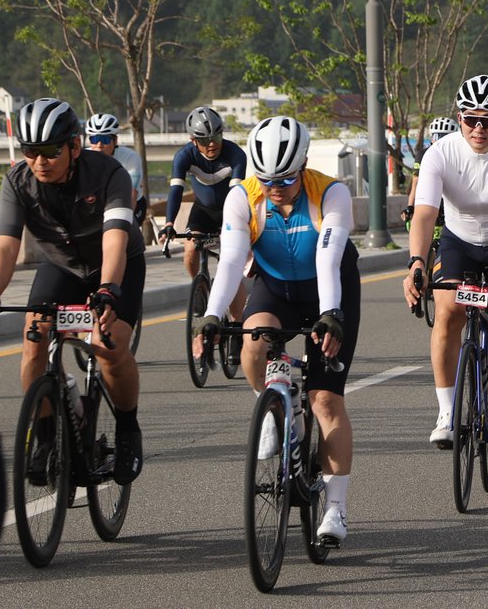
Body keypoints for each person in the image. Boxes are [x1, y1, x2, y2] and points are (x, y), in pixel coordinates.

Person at [195, 115, 359, 545]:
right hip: (276, 288)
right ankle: (273, 411)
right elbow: (231, 260)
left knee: (325, 398)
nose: (276, 188)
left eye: (285, 178)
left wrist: (330, 314)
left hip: (332, 288)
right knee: (253, 343)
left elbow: (328, 258)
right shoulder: (242, 197)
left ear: (303, 165)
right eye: (267, 178)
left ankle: (336, 510)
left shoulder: (331, 192)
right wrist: (213, 314)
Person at [0, 98, 145, 484]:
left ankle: (127, 430)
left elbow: (114, 242)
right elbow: (6, 244)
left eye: (50, 151)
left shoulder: (109, 174)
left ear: (74, 146)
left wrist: (108, 290)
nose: (39, 161)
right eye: (30, 152)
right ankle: (44, 438)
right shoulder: (17, 181)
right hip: (63, 267)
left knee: (108, 346)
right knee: (34, 337)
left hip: (118, 263)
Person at [402, 75, 488, 445]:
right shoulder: (440, 153)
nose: (478, 127)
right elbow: (426, 214)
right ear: (458, 117)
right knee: (447, 310)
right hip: (459, 242)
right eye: (470, 118)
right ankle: (446, 411)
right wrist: (416, 262)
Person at [164, 106, 247, 323]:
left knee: (230, 266)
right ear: (193, 141)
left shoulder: (236, 154)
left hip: (231, 211)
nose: (212, 144)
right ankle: (199, 286)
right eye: (204, 140)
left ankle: (237, 325)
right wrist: (169, 223)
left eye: (217, 136)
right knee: (190, 248)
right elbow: (176, 191)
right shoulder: (183, 156)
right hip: (203, 211)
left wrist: (230, 228)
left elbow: (237, 195)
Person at [84, 113, 148, 228]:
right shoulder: (83, 158)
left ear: (115, 140)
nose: (99, 145)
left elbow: (131, 194)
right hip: (99, 205)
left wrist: (123, 224)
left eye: (105, 140)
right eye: (95, 139)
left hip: (132, 205)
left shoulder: (130, 158)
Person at [401, 116, 458, 226]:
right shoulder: (422, 154)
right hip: (431, 201)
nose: (440, 140)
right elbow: (416, 182)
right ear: (431, 137)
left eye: (444, 137)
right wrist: (410, 207)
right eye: (437, 136)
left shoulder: (457, 155)